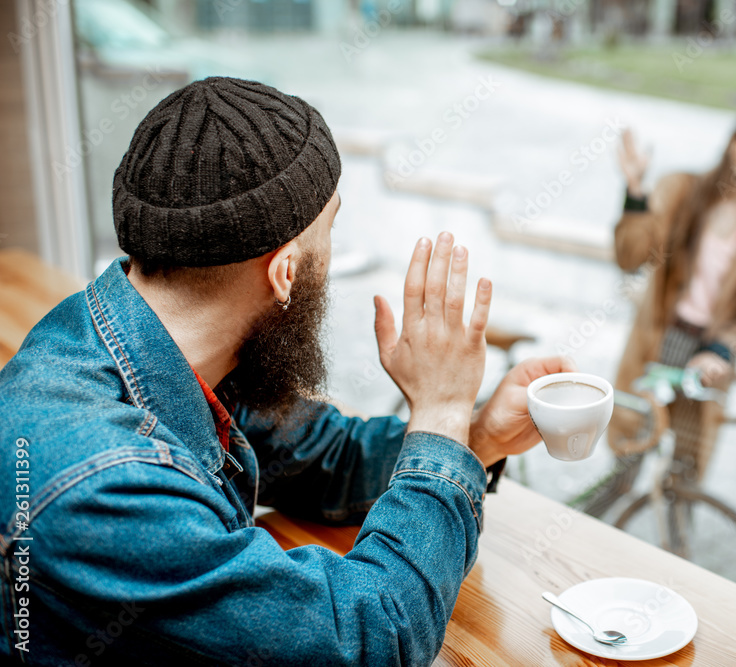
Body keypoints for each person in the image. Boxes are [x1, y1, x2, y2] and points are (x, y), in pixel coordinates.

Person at [0, 77, 570, 665]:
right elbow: (372, 637)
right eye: (329, 230)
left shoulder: (153, 337)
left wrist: (472, 435)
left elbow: (326, 459)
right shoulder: (105, 484)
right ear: (285, 273)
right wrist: (441, 410)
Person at [606, 94, 736, 491]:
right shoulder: (681, 191)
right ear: (733, 139)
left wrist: (722, 350)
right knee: (624, 468)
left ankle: (672, 549)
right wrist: (635, 191)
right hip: (657, 344)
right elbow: (630, 256)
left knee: (683, 482)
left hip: (706, 362)